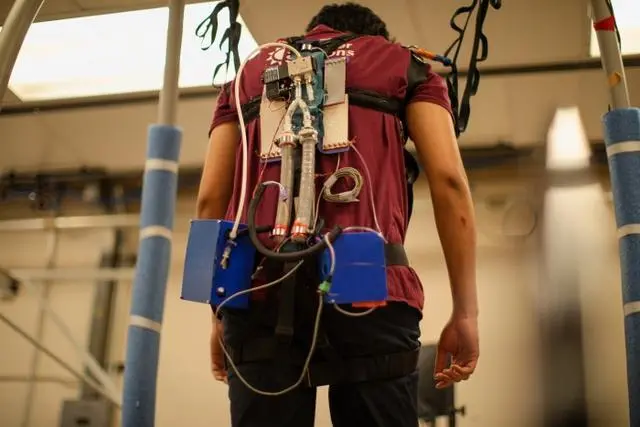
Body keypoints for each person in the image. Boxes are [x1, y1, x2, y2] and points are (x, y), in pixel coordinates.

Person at [196, 3, 479, 426]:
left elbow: (209, 202)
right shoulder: (404, 66)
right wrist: (466, 313)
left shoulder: (245, 79)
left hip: (257, 292)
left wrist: (218, 311)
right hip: (369, 283)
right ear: (376, 38)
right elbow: (450, 181)